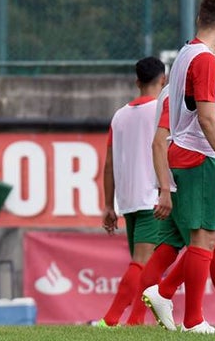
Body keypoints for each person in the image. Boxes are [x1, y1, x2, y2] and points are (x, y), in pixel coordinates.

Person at [142, 0, 215, 335]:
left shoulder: (184, 55)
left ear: (199, 18)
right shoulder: (207, 61)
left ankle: (167, 295)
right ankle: (188, 314)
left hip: (183, 154)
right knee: (204, 240)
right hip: (199, 156)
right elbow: (208, 119)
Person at [94, 56, 165, 327]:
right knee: (142, 264)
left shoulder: (119, 115)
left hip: (128, 201)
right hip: (154, 199)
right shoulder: (162, 109)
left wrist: (108, 205)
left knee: (149, 266)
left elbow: (109, 164)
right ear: (164, 80)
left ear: (137, 82)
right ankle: (111, 320)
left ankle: (138, 321)